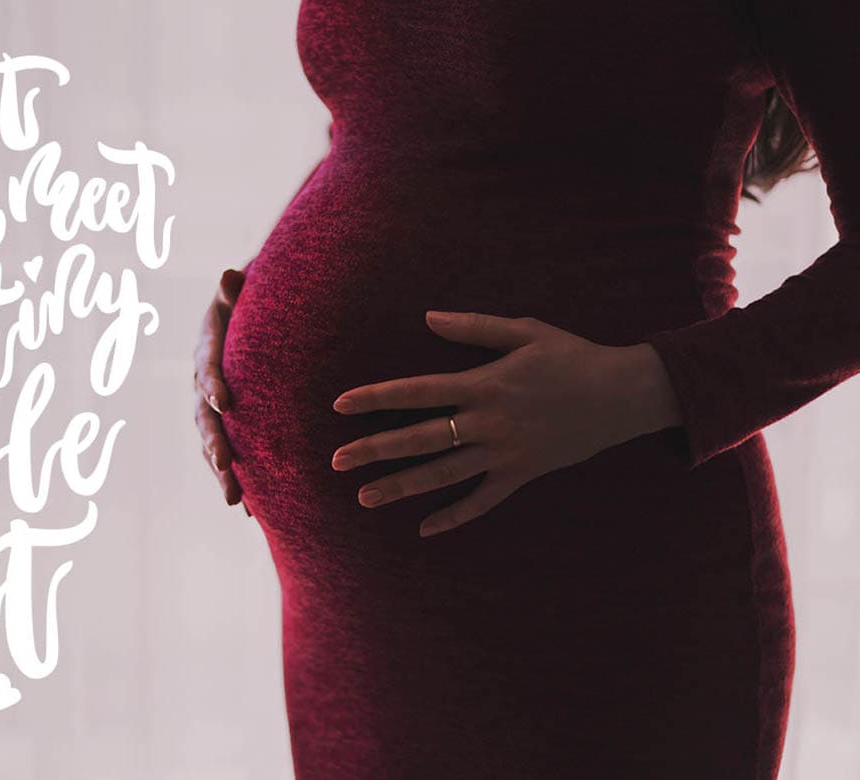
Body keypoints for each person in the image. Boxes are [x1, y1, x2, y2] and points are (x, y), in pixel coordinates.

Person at [192, 0, 855, 777]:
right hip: (351, 620)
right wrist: (252, 300)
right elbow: (390, 128)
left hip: (589, 578)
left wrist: (641, 387)